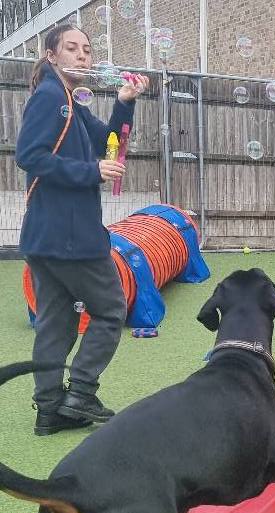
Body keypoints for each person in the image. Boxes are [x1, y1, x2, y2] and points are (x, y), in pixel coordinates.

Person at [16, 24, 149, 436]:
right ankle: (81, 393)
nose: (82, 56)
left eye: (87, 50)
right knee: (111, 309)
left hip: (45, 238)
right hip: (71, 237)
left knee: (55, 323)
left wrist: (124, 102)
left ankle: (50, 410)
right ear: (52, 55)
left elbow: (110, 140)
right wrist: (91, 171)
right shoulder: (51, 98)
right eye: (72, 48)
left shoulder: (72, 102)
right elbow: (29, 156)